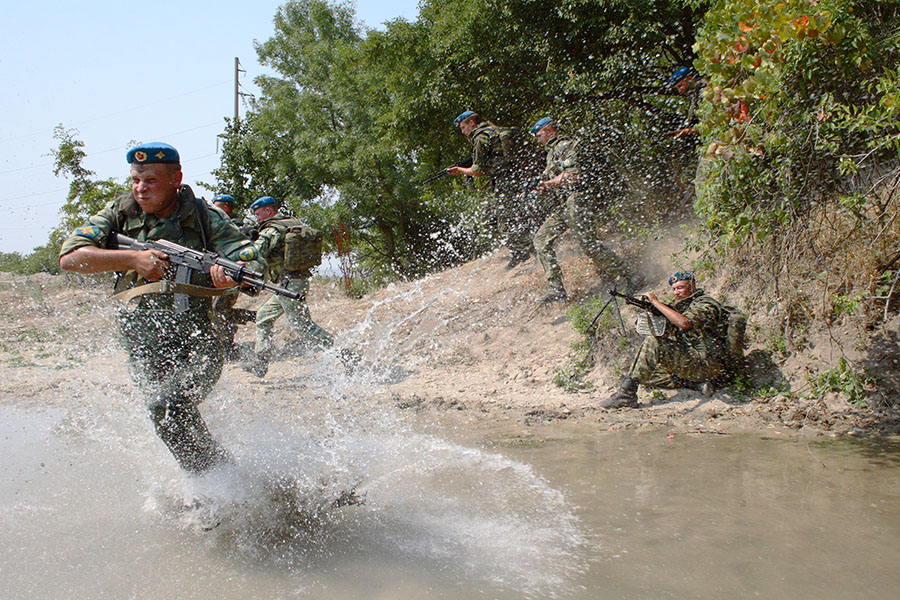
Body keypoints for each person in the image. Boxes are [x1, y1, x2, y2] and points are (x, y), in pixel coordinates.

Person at [58, 142, 265, 473]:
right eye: (136, 180)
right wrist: (133, 259)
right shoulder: (118, 214)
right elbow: (70, 258)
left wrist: (232, 275)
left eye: (151, 180)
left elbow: (249, 255)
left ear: (175, 178)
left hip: (197, 339)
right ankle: (218, 477)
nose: (141, 189)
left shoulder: (204, 217)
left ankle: (214, 480)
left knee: (170, 406)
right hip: (142, 343)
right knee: (165, 414)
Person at [529, 117, 634, 303]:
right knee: (541, 240)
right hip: (564, 205)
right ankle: (557, 290)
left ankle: (629, 273)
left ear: (549, 130)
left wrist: (546, 184)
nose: (538, 140)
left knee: (589, 245)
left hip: (579, 201)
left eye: (539, 135)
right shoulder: (551, 153)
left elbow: (572, 177)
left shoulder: (568, 146)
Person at [602, 271, 728, 408]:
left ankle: (626, 395)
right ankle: (697, 385)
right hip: (692, 360)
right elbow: (668, 330)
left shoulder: (705, 304)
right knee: (645, 371)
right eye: (674, 289)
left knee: (654, 342)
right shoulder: (681, 306)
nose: (676, 292)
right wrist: (649, 317)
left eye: (680, 287)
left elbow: (685, 323)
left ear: (692, 286)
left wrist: (655, 302)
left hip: (708, 364)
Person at [240, 196, 335, 377]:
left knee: (302, 326)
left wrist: (241, 247)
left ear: (268, 211)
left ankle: (343, 353)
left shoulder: (271, 229)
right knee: (263, 316)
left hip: (288, 284)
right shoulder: (292, 222)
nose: (257, 218)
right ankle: (261, 361)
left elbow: (256, 252)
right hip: (292, 283)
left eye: (258, 214)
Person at [447, 110, 534, 269]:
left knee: (504, 224)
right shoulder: (493, 130)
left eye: (463, 127)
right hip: (510, 179)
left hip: (505, 182)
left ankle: (533, 248)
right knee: (492, 218)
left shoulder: (480, 138)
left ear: (471, 123)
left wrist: (459, 170)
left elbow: (477, 172)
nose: (462, 131)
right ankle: (519, 251)